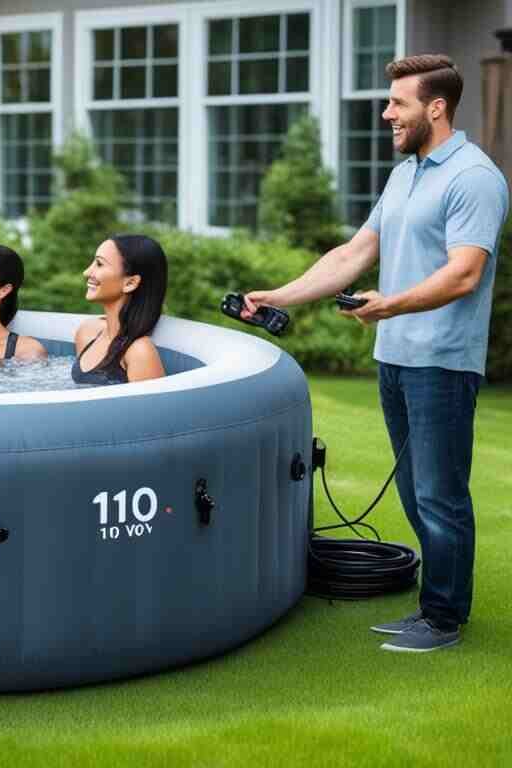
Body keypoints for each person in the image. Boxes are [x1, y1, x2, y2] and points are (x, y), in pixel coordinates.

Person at [241, 55, 509, 652]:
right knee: (416, 492)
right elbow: (353, 254)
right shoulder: (406, 174)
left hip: (441, 361)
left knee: (441, 493)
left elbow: (465, 274)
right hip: (396, 358)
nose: (386, 113)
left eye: (398, 103)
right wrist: (279, 296)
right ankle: (433, 608)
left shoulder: (474, 177)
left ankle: (443, 619)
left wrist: (390, 306)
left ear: (435, 107)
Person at [72, 234, 167, 385]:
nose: (87, 272)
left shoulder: (140, 352)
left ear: (130, 283)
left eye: (99, 264)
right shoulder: (88, 332)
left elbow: (154, 409)